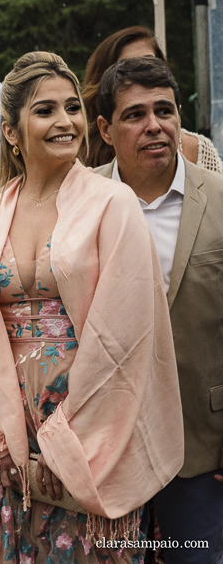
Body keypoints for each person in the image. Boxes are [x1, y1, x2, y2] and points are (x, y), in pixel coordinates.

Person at [0, 51, 184, 563]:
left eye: (72, 107)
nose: (65, 122)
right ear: (12, 131)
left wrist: (68, 441)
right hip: (15, 427)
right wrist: (5, 441)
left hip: (95, 420)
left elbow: (125, 339)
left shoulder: (112, 204)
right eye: (45, 110)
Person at [92, 56, 223, 564]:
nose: (154, 126)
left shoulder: (218, 201)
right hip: (107, 446)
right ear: (104, 128)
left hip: (202, 443)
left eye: (165, 111)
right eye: (134, 115)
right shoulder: (78, 205)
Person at [81, 25, 221, 172]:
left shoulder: (197, 150)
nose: (142, 73)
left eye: (150, 63)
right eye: (127, 68)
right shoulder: (80, 153)